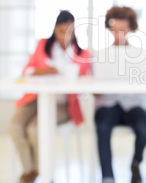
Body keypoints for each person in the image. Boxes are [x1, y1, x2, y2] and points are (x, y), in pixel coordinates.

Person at [8, 10, 92, 183]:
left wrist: (79, 79)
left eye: (70, 31)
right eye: (61, 31)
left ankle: (40, 171)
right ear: (55, 30)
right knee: (15, 125)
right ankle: (30, 171)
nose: (65, 36)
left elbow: (85, 87)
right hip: (36, 99)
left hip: (64, 104)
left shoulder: (83, 55)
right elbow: (26, 72)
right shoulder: (43, 46)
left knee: (34, 129)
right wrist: (42, 71)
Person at [94, 6, 146, 183]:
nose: (118, 34)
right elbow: (94, 90)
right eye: (115, 30)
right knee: (102, 127)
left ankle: (135, 163)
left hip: (133, 104)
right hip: (107, 104)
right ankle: (108, 177)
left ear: (131, 29)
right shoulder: (100, 55)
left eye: (123, 30)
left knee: (144, 129)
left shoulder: (141, 55)